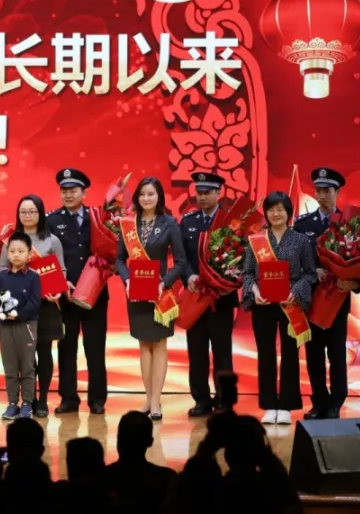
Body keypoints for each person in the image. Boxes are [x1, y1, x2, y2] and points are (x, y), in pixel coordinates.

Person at [241, 191, 317, 425]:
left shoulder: (301, 241)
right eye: (271, 209)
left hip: (290, 304)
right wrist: (254, 291)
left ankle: (286, 404)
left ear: (288, 212)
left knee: (290, 354)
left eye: (280, 209)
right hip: (263, 303)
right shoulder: (256, 240)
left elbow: (310, 274)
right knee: (265, 354)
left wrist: (297, 292)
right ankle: (268, 404)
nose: (275, 213)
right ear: (266, 213)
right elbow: (247, 273)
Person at [116, 176, 188, 420]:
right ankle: (148, 400)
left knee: (159, 344)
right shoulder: (128, 224)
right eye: (142, 194)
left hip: (160, 294)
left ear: (159, 197)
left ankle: (156, 402)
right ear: (137, 197)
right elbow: (119, 259)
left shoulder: (170, 223)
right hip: (136, 294)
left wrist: (163, 283)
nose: (146, 198)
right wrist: (127, 280)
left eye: (151, 194)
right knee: (143, 345)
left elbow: (181, 261)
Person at [296, 168, 358, 419]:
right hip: (311, 299)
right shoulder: (302, 224)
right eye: (318, 191)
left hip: (338, 300)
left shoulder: (349, 223)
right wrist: (313, 271)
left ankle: (336, 402)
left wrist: (354, 283)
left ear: (337, 192)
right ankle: (319, 401)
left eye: (327, 191)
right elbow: (295, 261)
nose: (322, 196)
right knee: (313, 354)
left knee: (336, 353)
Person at [48, 168, 109, 415]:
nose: (68, 194)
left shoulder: (99, 218)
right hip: (67, 296)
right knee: (66, 348)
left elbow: (111, 250)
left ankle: (97, 399)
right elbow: (47, 258)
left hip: (96, 295)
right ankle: (68, 398)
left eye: (73, 190)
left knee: (95, 347)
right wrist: (60, 283)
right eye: (64, 190)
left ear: (84, 192)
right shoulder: (51, 220)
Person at [0, 194, 66, 418]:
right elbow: (2, 270)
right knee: (24, 357)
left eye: (32, 211)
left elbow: (61, 271)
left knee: (44, 353)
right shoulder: (11, 242)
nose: (27, 215)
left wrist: (58, 289)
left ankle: (43, 399)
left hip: (45, 305)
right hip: (18, 307)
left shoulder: (52, 241)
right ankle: (25, 399)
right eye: (23, 212)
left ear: (40, 213)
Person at [181, 172, 237, 416]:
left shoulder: (231, 221)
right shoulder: (188, 221)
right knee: (196, 351)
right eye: (199, 192)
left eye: (207, 193)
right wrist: (188, 276)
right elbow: (181, 257)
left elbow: (241, 256)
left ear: (219, 193)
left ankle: (224, 400)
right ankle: (201, 399)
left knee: (223, 352)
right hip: (195, 297)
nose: (202, 197)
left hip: (221, 299)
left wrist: (228, 281)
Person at [0, 231, 43, 420]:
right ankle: (12, 403)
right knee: (10, 366)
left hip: (27, 326)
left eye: (21, 251)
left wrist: (19, 316)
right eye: (12, 251)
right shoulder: (1, 277)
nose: (16, 255)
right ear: (7, 254)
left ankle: (27, 403)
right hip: (5, 327)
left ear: (29, 254)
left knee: (27, 366)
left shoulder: (33, 277)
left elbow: (35, 302)